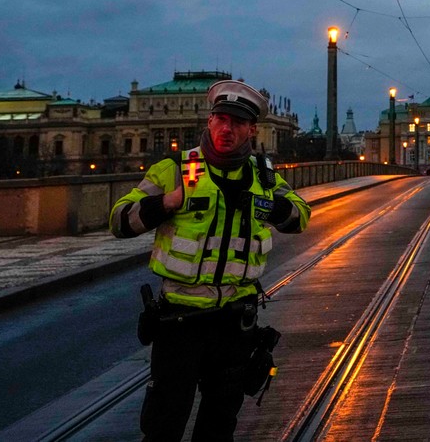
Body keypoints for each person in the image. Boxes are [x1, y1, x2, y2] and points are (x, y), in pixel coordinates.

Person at [110, 79, 311, 441]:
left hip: (235, 324)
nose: (226, 129)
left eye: (236, 122)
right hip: (180, 321)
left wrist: (267, 205)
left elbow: (300, 216)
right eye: (220, 118)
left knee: (219, 428)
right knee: (163, 426)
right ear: (209, 121)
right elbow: (120, 220)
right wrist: (166, 203)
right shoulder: (174, 169)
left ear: (251, 129)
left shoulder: (263, 178)